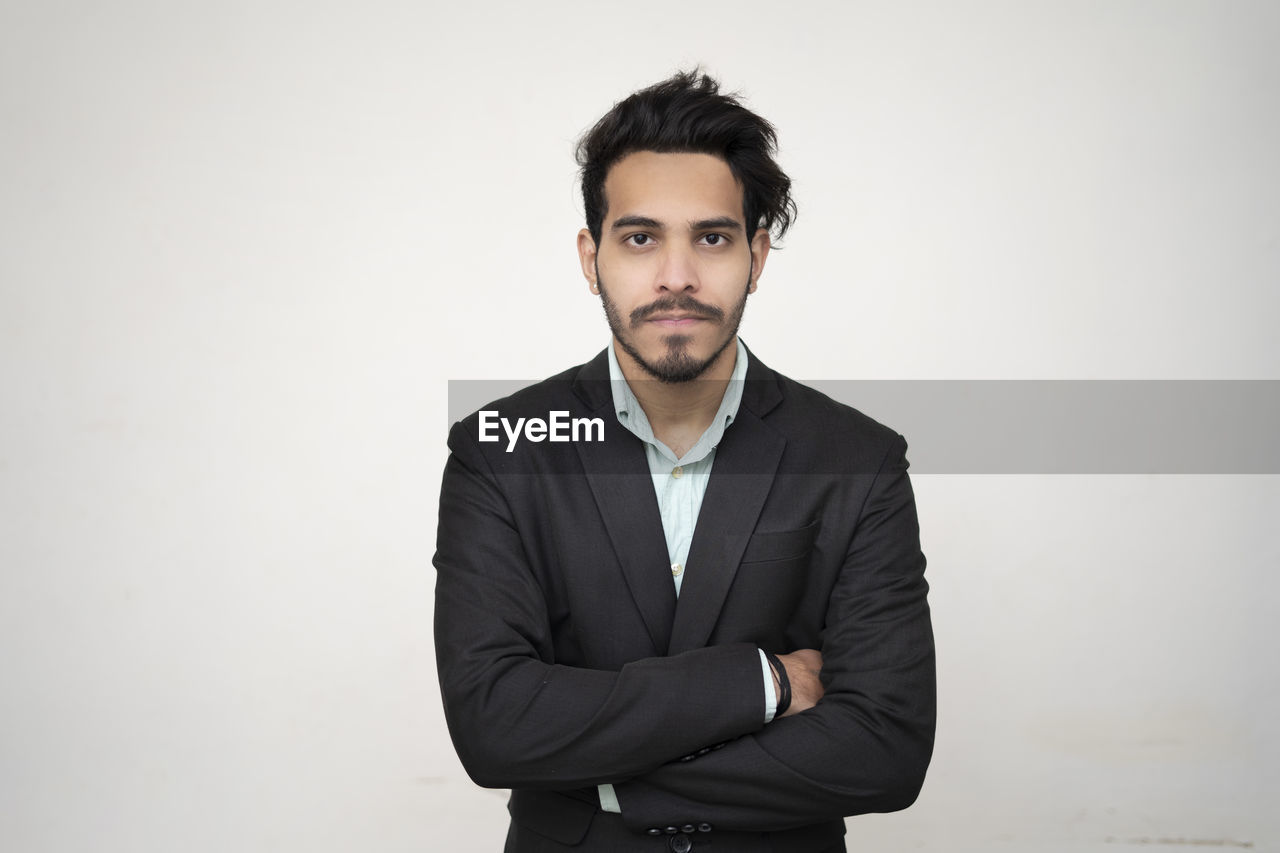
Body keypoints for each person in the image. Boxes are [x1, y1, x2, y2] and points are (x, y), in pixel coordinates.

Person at [433, 70, 936, 853]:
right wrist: (762, 684)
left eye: (711, 236)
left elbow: (885, 749)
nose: (677, 276)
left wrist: (601, 774)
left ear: (757, 255)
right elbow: (494, 726)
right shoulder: (500, 451)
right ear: (590, 257)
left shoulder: (857, 459)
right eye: (640, 238)